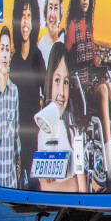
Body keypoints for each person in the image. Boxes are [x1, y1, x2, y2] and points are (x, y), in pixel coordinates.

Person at [64, 0, 111, 191]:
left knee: (108, 86)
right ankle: (110, 161)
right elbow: (68, 62)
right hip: (80, 87)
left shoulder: (88, 25)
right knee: (103, 90)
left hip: (91, 79)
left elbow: (92, 58)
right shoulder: (72, 26)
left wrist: (100, 70)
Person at [35, 42, 85, 193]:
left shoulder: (72, 131)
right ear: (49, 80)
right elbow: (46, 187)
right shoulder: (44, 133)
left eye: (66, 82)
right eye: (57, 80)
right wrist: (74, 184)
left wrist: (75, 184)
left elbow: (83, 190)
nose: (62, 92)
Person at [11, 0, 45, 190]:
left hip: (34, 137)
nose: (25, 21)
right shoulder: (12, 61)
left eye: (29, 15)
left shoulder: (37, 56)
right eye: (22, 15)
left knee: (34, 185)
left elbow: (47, 93)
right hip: (16, 137)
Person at [0, 26, 20, 189]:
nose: (4, 53)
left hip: (11, 184)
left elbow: (17, 139)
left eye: (7, 49)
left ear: (9, 55)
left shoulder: (14, 92)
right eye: (2, 48)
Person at [38, 0, 64, 65]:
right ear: (46, 12)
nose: (52, 14)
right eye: (50, 7)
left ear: (60, 13)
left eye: (56, 8)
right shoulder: (41, 46)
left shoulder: (65, 40)